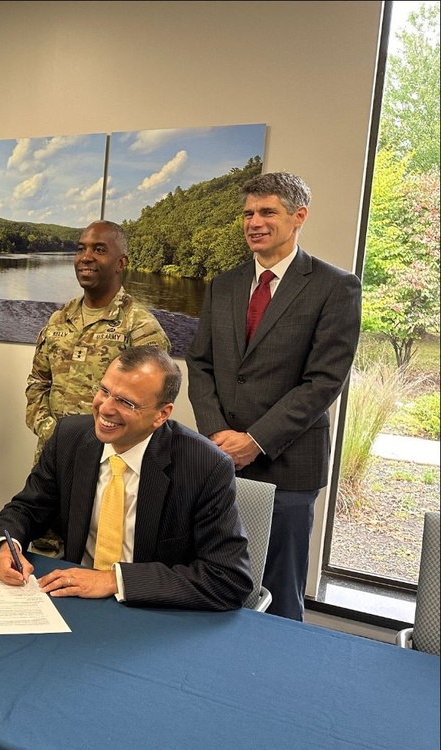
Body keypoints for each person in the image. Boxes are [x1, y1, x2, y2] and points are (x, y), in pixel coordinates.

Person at [186, 172, 361, 621]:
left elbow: (324, 381)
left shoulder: (334, 287)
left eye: (267, 212)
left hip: (287, 464)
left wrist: (256, 440)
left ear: (298, 217)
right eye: (248, 213)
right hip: (220, 457)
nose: (254, 222)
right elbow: (200, 364)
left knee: (281, 593)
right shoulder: (222, 285)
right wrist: (218, 433)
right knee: (215, 578)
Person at [0, 346, 252, 610]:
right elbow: (27, 509)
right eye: (104, 391)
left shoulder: (203, 465)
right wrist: (6, 546)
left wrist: (114, 580)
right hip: (74, 602)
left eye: (125, 402)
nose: (105, 408)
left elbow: (227, 578)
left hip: (151, 612)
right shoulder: (70, 438)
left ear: (161, 414)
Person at [25, 220, 169, 558]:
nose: (86, 257)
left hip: (109, 469)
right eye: (81, 248)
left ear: (121, 263)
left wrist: (87, 443)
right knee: (44, 556)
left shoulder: (141, 328)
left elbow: (148, 411)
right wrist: (54, 435)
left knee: (100, 559)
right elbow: (37, 384)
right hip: (52, 463)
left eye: (99, 250)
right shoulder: (59, 320)